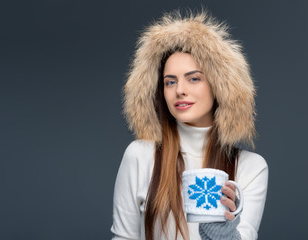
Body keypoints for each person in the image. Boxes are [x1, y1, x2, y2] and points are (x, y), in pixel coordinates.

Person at [111, 11, 268, 240]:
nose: (179, 90)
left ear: (219, 85)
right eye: (170, 81)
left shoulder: (250, 168)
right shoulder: (140, 155)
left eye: (194, 78)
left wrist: (221, 233)